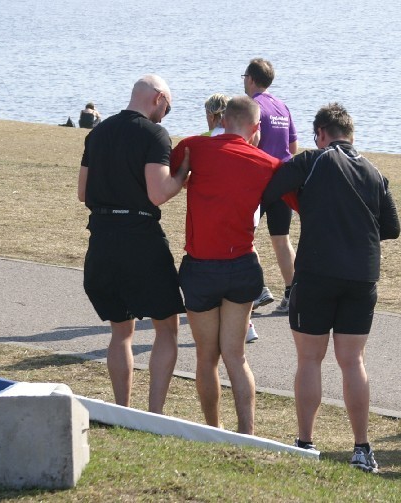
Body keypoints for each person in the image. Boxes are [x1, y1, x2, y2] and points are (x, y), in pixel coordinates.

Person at [262, 103, 400, 472]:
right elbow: (392, 228)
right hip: (362, 274)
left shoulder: (313, 160)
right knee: (353, 361)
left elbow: (271, 187)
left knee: (310, 359)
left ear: (321, 134)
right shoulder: (374, 171)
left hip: (317, 272)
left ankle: (305, 442)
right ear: (351, 134)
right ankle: (361, 448)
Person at [171, 96, 286, 433]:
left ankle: (213, 429)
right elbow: (296, 200)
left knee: (207, 358)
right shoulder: (266, 162)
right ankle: (246, 433)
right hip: (241, 267)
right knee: (236, 357)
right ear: (255, 128)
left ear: (222, 119)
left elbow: (166, 170)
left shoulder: (192, 147)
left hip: (200, 268)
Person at [77, 75, 189, 414]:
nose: (164, 116)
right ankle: (154, 414)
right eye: (166, 108)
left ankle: (122, 409)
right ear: (157, 98)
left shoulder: (97, 134)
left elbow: (83, 193)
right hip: (140, 237)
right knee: (167, 328)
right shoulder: (153, 134)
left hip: (102, 238)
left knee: (120, 332)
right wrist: (183, 176)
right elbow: (159, 192)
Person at [198, 92, 260, 344]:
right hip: (247, 208)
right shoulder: (246, 139)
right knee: (246, 249)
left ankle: (234, 325)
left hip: (216, 214)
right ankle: (247, 321)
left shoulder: (203, 140)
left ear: (211, 116)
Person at [243, 58, 298, 313]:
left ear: (251, 79)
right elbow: (292, 148)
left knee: (242, 234)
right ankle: (294, 292)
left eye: (245, 77)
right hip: (284, 179)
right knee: (281, 239)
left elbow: (250, 143)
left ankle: (257, 289)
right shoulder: (282, 106)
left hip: (260, 182)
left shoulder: (253, 106)